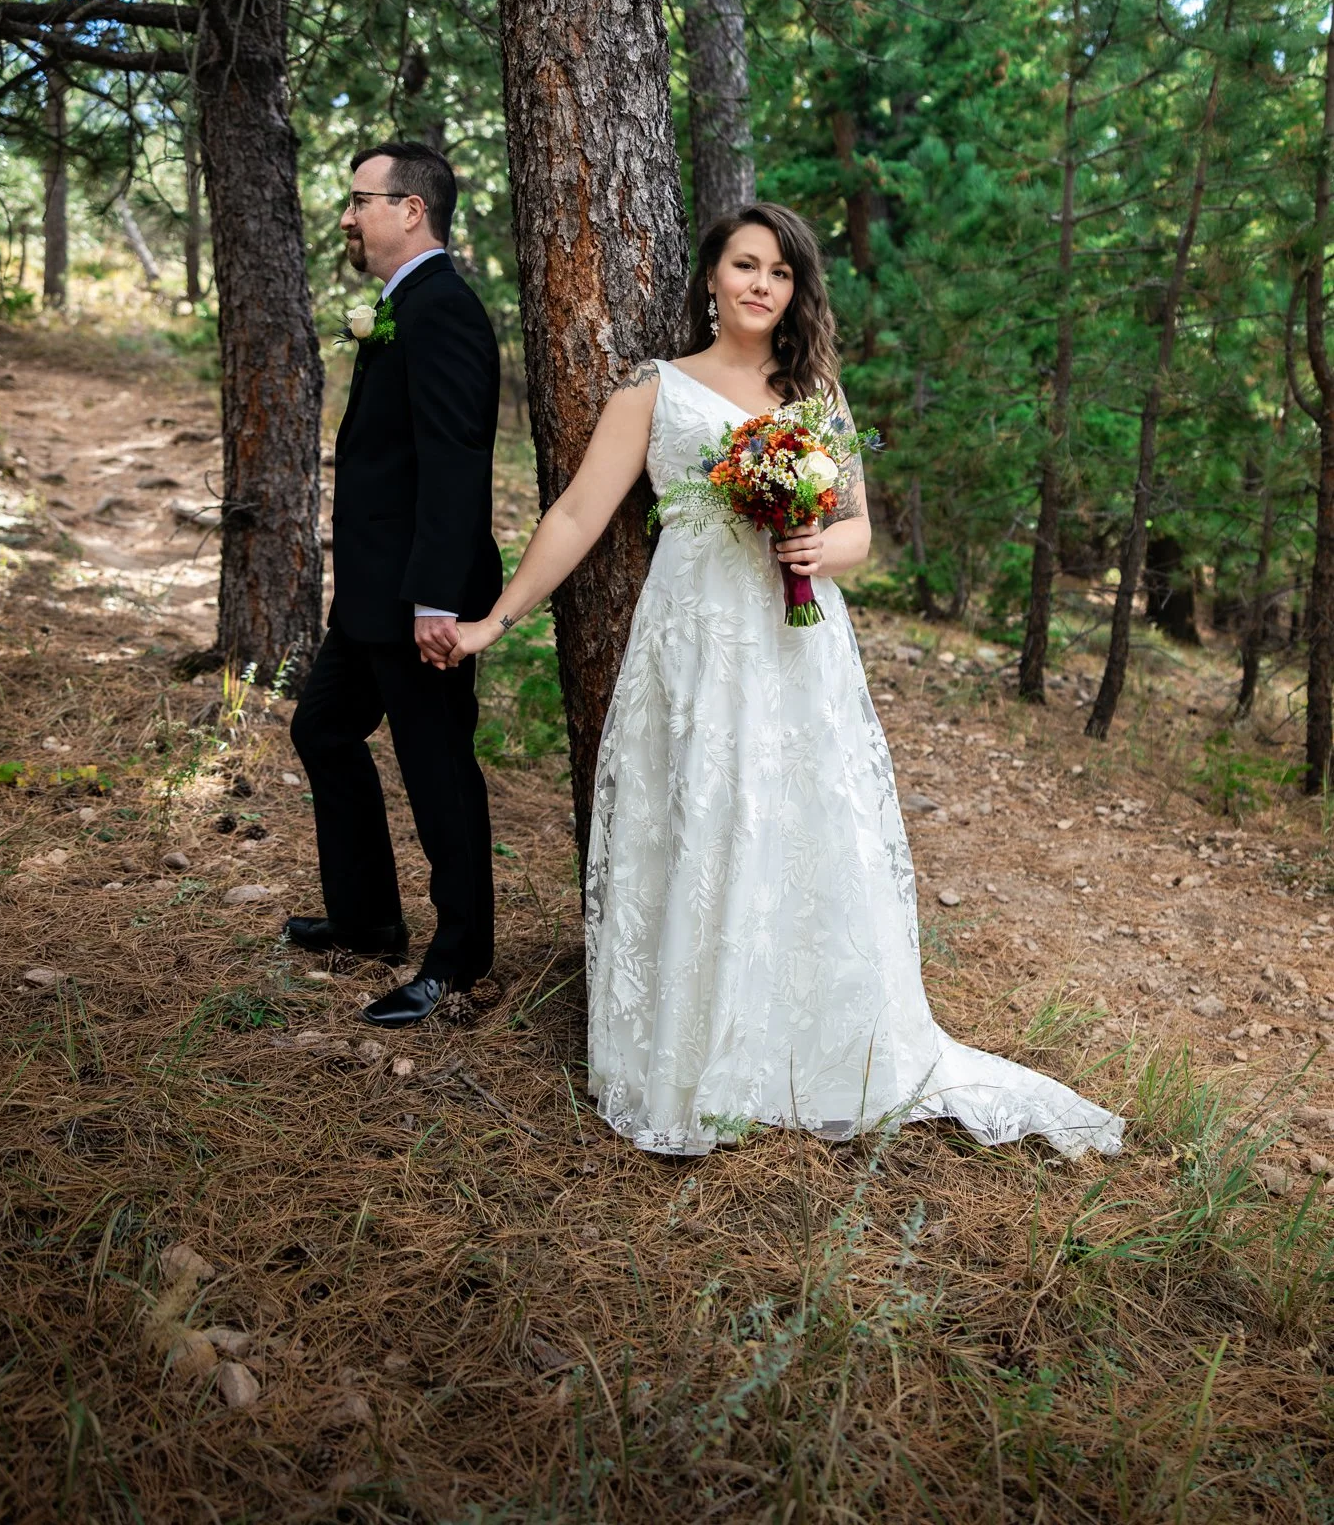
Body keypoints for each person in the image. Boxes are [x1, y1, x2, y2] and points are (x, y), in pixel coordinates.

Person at [438, 202, 1123, 1158]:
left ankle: (808, 1043)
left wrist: (816, 543)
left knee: (798, 823)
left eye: (780, 273)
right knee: (701, 818)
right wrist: (492, 624)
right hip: (693, 640)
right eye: (744, 265)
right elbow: (576, 516)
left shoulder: (812, 394)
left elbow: (857, 532)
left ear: (795, 291)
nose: (760, 285)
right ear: (711, 278)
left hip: (795, 639)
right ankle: (690, 1051)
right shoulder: (655, 389)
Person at [285, 141, 503, 1029]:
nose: (346, 215)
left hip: (422, 596)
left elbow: (456, 465)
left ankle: (458, 960)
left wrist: (435, 602)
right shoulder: (400, 306)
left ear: (411, 209)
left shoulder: (441, 308)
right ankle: (369, 917)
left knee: (439, 770)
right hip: (373, 593)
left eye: (360, 200)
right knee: (323, 729)